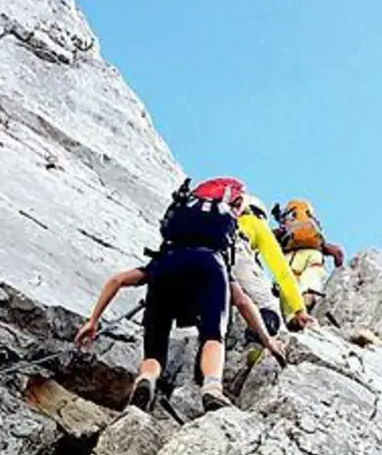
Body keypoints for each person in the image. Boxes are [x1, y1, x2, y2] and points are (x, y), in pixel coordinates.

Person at [74, 177, 286, 413]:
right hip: (210, 269)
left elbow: (117, 280)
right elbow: (243, 302)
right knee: (213, 336)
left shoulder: (165, 253)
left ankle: (146, 379)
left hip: (166, 269)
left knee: (155, 347)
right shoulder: (220, 258)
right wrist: (268, 341)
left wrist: (92, 321)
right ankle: (212, 388)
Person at [231, 195, 313, 367]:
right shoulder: (255, 222)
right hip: (236, 255)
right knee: (269, 309)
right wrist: (300, 310)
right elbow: (282, 272)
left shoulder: (220, 222)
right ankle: (256, 350)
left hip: (205, 260)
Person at [273, 198, 345, 316]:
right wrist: (339, 275)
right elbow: (338, 252)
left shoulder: (283, 231)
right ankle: (308, 296)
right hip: (313, 254)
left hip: (289, 259)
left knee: (287, 286)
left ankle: (292, 317)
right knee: (313, 274)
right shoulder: (314, 234)